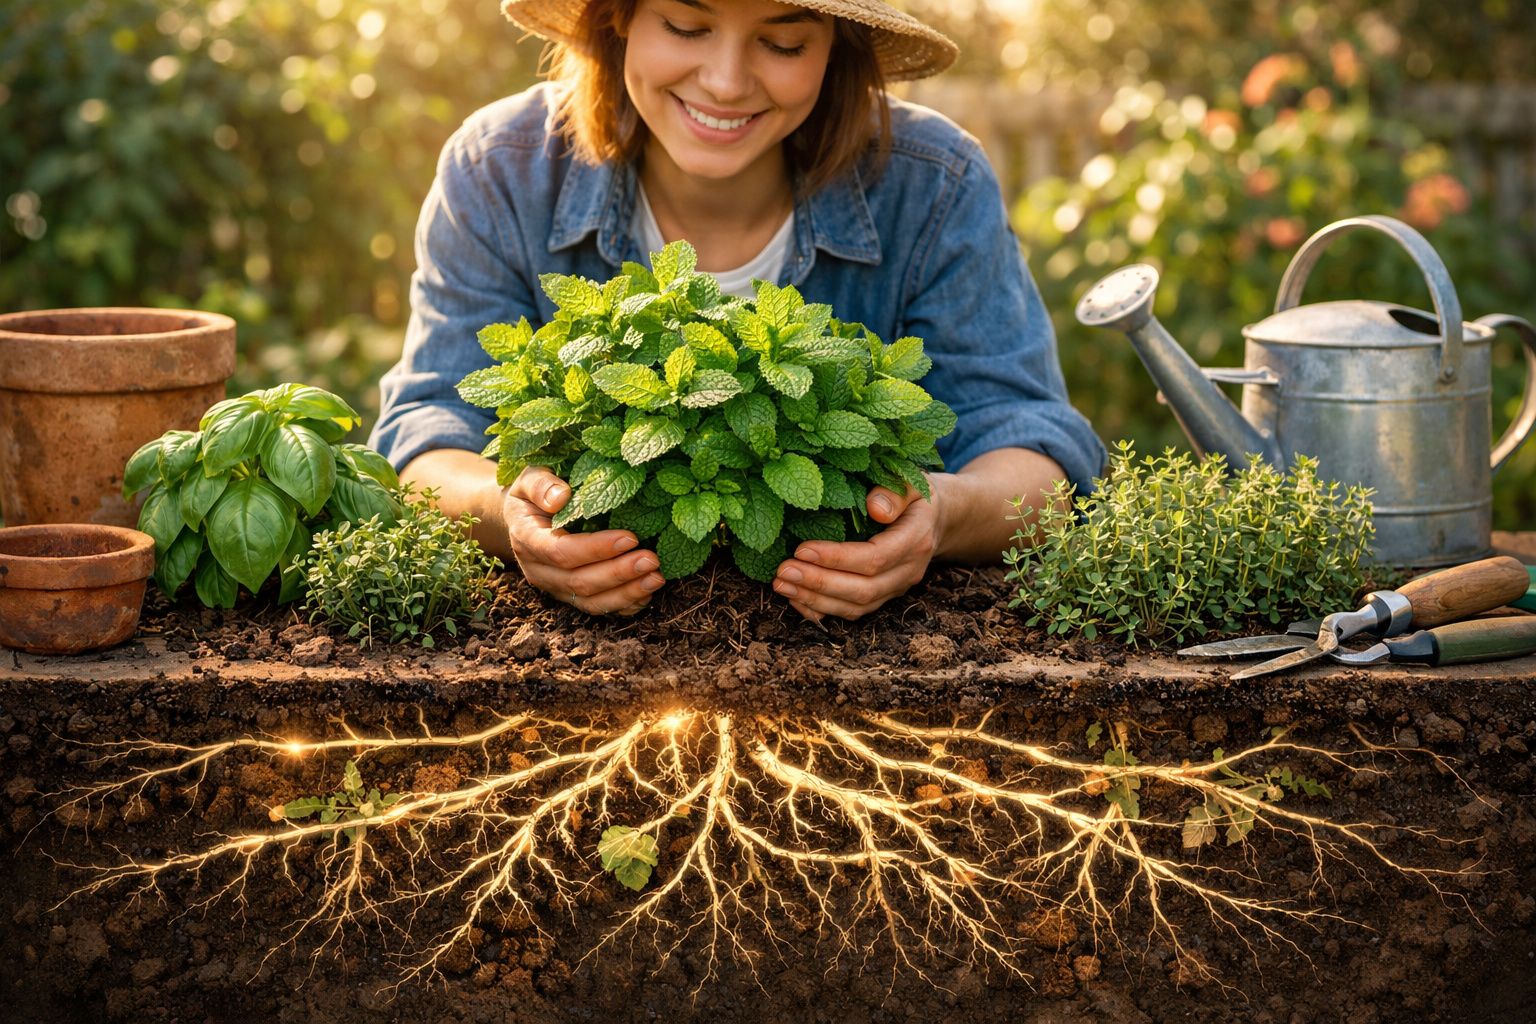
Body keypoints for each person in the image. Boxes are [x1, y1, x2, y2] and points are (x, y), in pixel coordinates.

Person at [371, 0, 1105, 622]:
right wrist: (511, 519)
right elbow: (427, 439)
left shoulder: (932, 184)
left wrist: (938, 516)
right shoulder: (502, 168)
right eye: (687, 26)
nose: (724, 83)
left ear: (834, 50)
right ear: (621, 16)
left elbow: (1034, 454)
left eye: (782, 43)